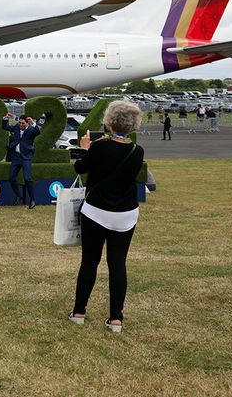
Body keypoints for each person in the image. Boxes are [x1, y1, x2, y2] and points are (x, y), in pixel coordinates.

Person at [68, 100, 145, 333]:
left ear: (110, 121)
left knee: (90, 261)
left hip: (97, 210)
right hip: (125, 213)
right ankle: (116, 318)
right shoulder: (137, 150)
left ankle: (79, 311)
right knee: (117, 264)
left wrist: (86, 148)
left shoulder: (100, 147)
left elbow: (80, 167)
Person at [2, 112, 41, 208]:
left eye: (23, 123)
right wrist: (5, 118)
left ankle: (32, 200)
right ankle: (18, 196)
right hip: (16, 157)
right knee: (11, 178)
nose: (21, 125)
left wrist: (33, 122)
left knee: (27, 178)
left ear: (27, 123)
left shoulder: (31, 130)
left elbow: (38, 132)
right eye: (19, 123)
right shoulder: (16, 127)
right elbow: (5, 127)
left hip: (26, 157)